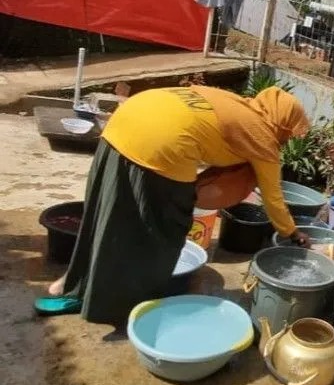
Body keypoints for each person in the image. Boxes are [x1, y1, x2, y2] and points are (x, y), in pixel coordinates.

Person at [35, 85, 312, 324]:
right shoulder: (263, 137)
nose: (286, 140)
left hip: (121, 125)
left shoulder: (235, 102)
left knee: (107, 215)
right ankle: (121, 305)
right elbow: (273, 198)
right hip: (161, 146)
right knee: (161, 234)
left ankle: (73, 286)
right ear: (282, 123)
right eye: (289, 133)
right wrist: (292, 232)